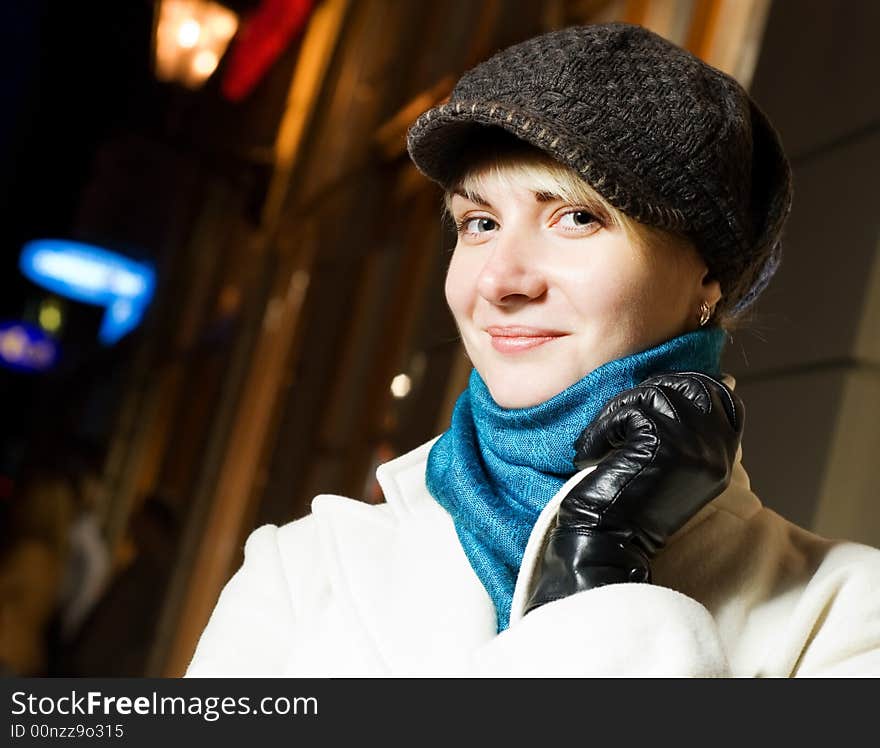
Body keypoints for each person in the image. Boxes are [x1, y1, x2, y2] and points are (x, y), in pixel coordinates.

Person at [185, 23, 880, 677]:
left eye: (575, 217)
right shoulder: (302, 567)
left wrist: (594, 571)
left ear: (708, 276)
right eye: (479, 222)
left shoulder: (845, 617)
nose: (499, 279)